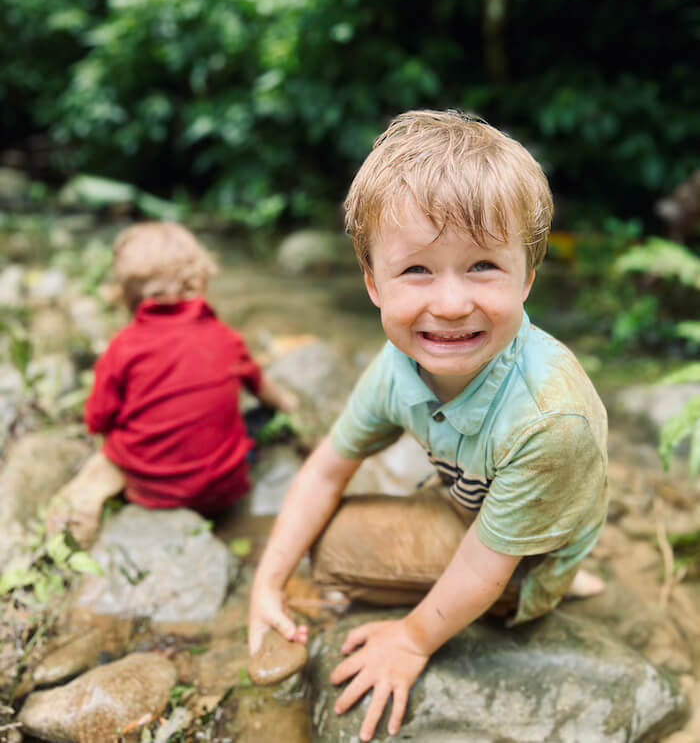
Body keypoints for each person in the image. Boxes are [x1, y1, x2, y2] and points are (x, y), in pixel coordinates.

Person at [248, 110, 608, 742]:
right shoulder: (398, 365)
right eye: (416, 270)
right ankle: (558, 557)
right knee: (317, 526)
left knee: (332, 551)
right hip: (477, 509)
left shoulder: (550, 417)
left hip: (509, 554)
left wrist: (411, 642)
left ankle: (552, 579)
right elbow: (329, 465)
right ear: (373, 284)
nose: (449, 304)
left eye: (483, 267)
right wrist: (266, 581)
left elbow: (483, 562)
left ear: (527, 276)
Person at [48, 222, 297, 546]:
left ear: (127, 294)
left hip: (149, 490)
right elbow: (267, 392)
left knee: (108, 456)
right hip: (222, 493)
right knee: (255, 421)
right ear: (200, 281)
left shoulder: (123, 347)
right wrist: (288, 402)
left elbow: (97, 420)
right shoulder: (227, 339)